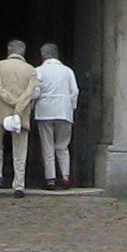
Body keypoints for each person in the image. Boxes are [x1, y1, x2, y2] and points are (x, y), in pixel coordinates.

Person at [0, 38, 39, 190]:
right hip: (21, 112)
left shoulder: (0, 66)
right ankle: (19, 185)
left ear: (9, 51)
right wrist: (18, 106)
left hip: (1, 110)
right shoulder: (31, 70)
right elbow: (30, 92)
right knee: (20, 149)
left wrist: (9, 100)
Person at [30, 40, 80, 185]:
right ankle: (65, 176)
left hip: (45, 111)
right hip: (64, 111)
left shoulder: (39, 70)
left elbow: (35, 91)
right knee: (63, 146)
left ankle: (50, 179)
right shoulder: (68, 71)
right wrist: (71, 107)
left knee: (48, 147)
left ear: (43, 55)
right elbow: (75, 92)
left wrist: (32, 106)